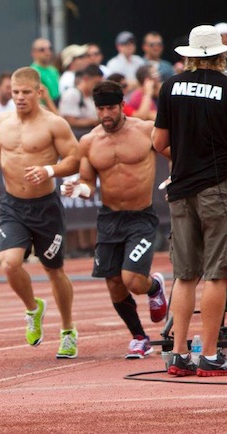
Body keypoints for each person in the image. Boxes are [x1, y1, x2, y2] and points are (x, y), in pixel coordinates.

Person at [61, 80, 168, 358]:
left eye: (111, 108)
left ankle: (154, 286)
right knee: (113, 282)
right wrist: (77, 189)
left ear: (122, 106)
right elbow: (88, 185)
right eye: (101, 109)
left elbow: (173, 152)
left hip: (141, 217)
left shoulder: (146, 130)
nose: (106, 114)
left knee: (132, 279)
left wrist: (175, 177)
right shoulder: (89, 141)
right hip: (109, 218)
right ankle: (139, 337)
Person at [0, 67, 80, 359]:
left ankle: (67, 329)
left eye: (26, 92)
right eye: (15, 92)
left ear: (38, 92)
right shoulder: (3, 121)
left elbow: (75, 160)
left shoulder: (55, 124)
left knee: (54, 270)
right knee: (10, 263)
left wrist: (49, 170)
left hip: (46, 206)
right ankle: (33, 309)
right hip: (13, 204)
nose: (20, 98)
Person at [152, 25, 227, 377]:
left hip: (180, 189)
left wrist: (182, 160)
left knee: (184, 275)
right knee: (217, 273)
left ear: (190, 55)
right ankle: (209, 355)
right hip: (218, 189)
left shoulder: (170, 87)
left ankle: (179, 354)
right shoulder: (226, 88)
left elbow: (158, 142)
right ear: (220, 54)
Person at [58, 64, 103, 129]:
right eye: (96, 83)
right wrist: (93, 121)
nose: (98, 86)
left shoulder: (92, 96)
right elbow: (70, 121)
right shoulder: (72, 94)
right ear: (86, 79)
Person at [30, 38, 60, 106]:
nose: (47, 52)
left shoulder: (53, 70)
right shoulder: (33, 72)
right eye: (42, 50)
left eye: (50, 49)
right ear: (34, 53)